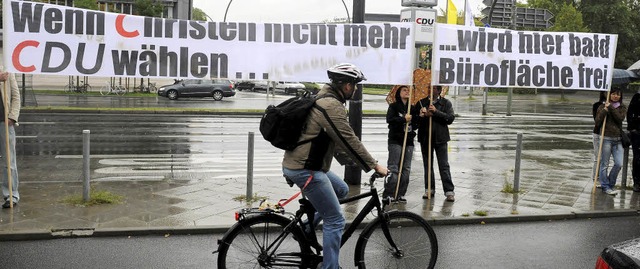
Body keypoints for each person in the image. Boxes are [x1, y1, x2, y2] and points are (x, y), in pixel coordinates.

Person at [282, 63, 388, 269]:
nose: (356, 89)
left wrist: (350, 161)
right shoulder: (331, 105)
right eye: (355, 85)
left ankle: (304, 229)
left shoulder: (325, 99)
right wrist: (374, 165)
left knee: (341, 189)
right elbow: (348, 138)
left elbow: (335, 140)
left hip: (304, 164)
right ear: (346, 85)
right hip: (305, 169)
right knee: (335, 220)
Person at [416, 85, 456, 202]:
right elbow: (415, 122)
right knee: (427, 165)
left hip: (441, 139)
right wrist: (422, 116)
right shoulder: (421, 102)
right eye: (429, 88)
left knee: (443, 165)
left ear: (438, 91)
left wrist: (436, 112)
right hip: (425, 138)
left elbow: (450, 119)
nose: (430, 90)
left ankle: (449, 191)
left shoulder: (445, 103)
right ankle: (429, 189)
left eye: (434, 88)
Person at [383, 85, 418, 203]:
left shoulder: (412, 108)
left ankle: (401, 193)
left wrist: (420, 116)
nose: (407, 91)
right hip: (396, 140)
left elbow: (416, 125)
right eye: (404, 90)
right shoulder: (393, 106)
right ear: (399, 93)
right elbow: (390, 120)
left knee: (406, 168)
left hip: (408, 141)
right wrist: (404, 119)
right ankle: (389, 194)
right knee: (394, 167)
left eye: (408, 90)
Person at [595, 87, 627, 195]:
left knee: (619, 163)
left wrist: (611, 108)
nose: (616, 96)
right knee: (604, 164)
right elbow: (598, 121)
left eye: (618, 94)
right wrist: (605, 109)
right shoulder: (602, 106)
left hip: (618, 140)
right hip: (606, 139)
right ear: (609, 94)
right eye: (613, 94)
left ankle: (610, 184)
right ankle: (605, 186)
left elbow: (620, 118)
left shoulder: (622, 107)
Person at [0, 69, 20, 208]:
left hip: (4, 123)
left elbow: (16, 96)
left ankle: (11, 195)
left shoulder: (6, 69)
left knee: (9, 161)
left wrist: (12, 116)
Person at [627, 89, 640, 192]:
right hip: (637, 133)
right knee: (638, 158)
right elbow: (630, 113)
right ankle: (637, 182)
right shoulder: (637, 97)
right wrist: (632, 129)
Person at [592, 91, 606, 186]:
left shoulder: (616, 106)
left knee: (605, 159)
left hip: (609, 135)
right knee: (598, 158)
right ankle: (595, 177)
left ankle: (603, 178)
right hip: (598, 133)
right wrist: (604, 109)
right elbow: (597, 120)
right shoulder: (597, 105)